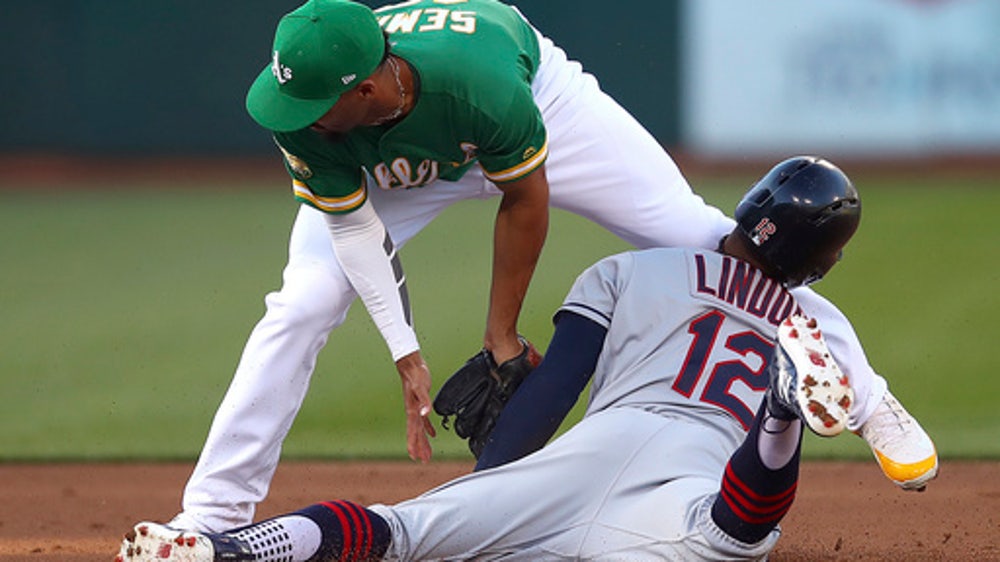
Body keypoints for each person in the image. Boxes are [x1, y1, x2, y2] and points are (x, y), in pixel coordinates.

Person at [166, 0, 936, 533]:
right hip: (400, 157)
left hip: (537, 105)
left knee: (703, 238)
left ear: (365, 86)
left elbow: (523, 202)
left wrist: (501, 334)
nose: (288, 114)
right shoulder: (309, 112)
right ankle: (211, 514)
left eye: (306, 103)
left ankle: (868, 398)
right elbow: (354, 233)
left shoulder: (480, 82)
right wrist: (405, 351)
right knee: (300, 305)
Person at [117, 156, 938, 562]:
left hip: (595, 447)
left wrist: (495, 487)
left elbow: (554, 388)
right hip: (701, 471)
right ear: (822, 263)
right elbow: (915, 466)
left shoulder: (626, 269)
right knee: (732, 538)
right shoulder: (818, 319)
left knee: (402, 533)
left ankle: (227, 551)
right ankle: (781, 414)